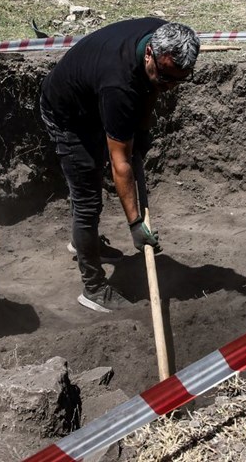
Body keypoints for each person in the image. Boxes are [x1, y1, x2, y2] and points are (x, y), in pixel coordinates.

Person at [39, 18, 200, 312]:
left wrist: (140, 131)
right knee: (87, 198)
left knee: (99, 174)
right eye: (166, 78)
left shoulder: (166, 37)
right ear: (149, 53)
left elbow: (151, 89)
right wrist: (136, 225)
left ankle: (85, 244)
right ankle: (94, 288)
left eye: (179, 80)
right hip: (68, 114)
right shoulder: (119, 86)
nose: (170, 87)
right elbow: (120, 164)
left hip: (94, 95)